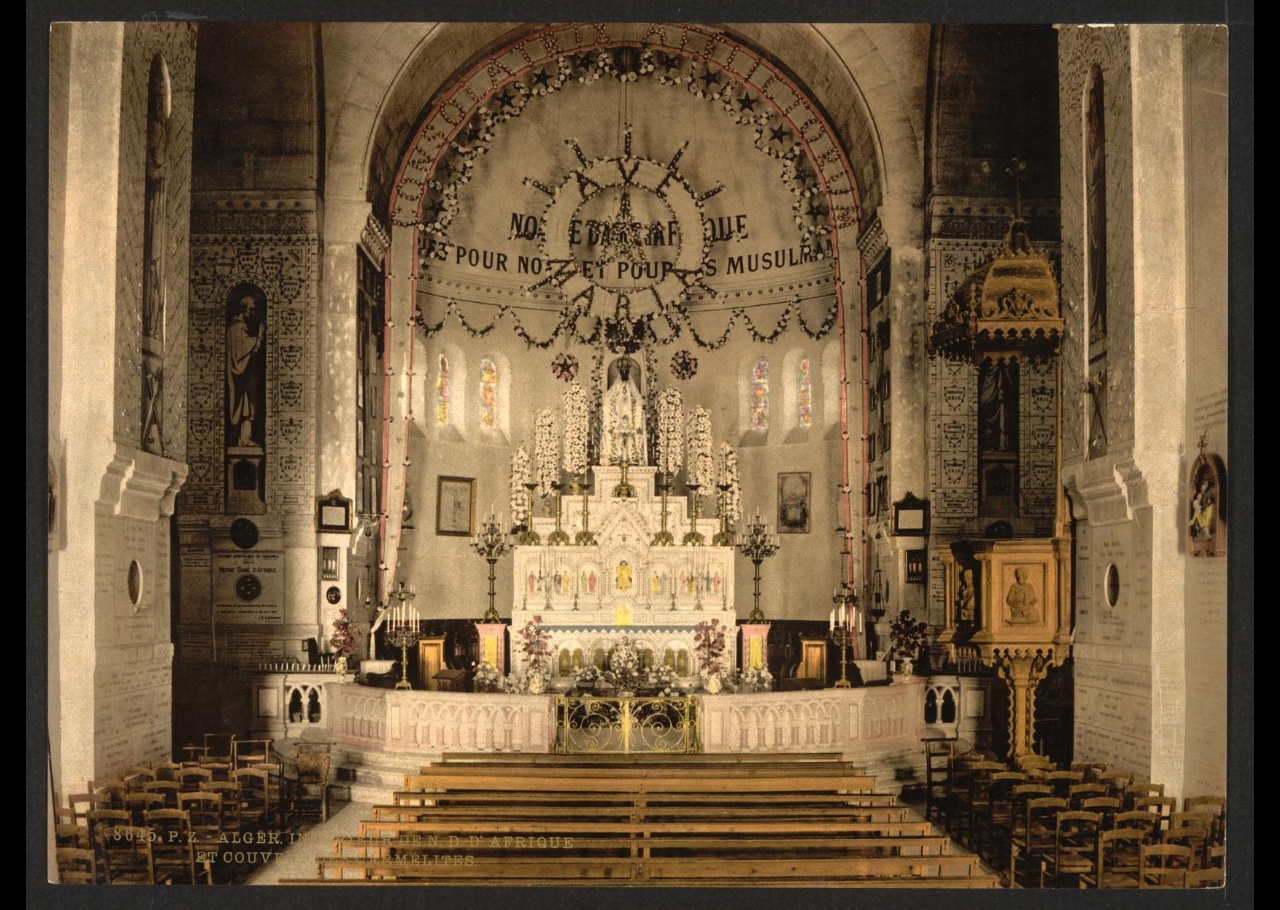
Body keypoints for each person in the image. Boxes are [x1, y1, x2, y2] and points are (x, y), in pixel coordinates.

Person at [227, 295, 266, 447]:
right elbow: (247, 351)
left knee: (249, 408)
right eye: (251, 310)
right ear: (243, 310)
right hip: (240, 380)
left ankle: (245, 438)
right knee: (245, 407)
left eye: (255, 310)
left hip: (246, 379)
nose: (253, 313)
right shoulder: (236, 329)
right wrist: (260, 334)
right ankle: (242, 439)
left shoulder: (241, 328)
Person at [602, 357, 647, 465]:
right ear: (620, 374)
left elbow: (638, 401)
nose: (624, 374)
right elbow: (608, 399)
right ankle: (616, 456)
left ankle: (633, 457)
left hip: (630, 415)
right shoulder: (616, 387)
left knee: (631, 433)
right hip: (618, 414)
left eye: (626, 372)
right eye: (622, 372)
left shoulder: (632, 387)